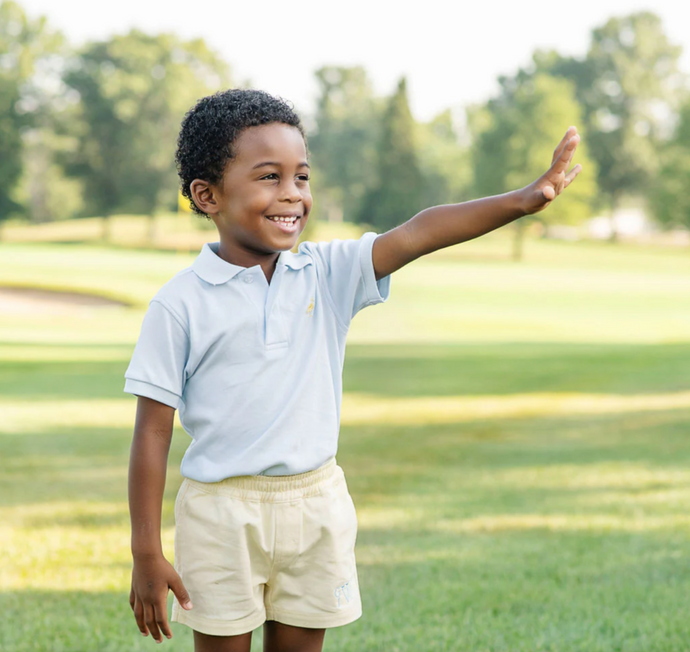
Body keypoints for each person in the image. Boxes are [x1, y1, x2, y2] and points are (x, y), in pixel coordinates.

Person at [126, 88, 581, 652]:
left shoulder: (327, 273)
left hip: (316, 504)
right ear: (207, 193)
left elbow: (418, 232)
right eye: (269, 177)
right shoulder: (180, 303)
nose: (292, 195)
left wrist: (522, 200)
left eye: (302, 177)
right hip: (221, 515)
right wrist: (146, 550)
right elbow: (152, 430)